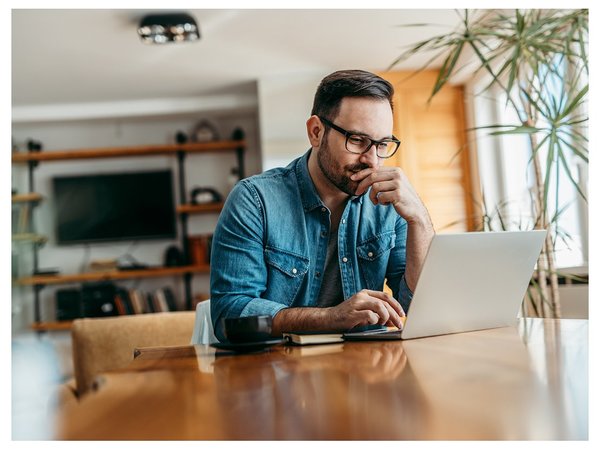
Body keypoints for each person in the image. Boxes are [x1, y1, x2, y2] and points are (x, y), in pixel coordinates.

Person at [210, 69, 434, 341]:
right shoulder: (255, 200)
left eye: (382, 144)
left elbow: (421, 306)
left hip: (367, 371)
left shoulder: (390, 204)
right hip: (278, 371)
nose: (373, 160)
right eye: (358, 140)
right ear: (316, 132)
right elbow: (229, 314)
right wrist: (332, 318)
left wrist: (419, 219)